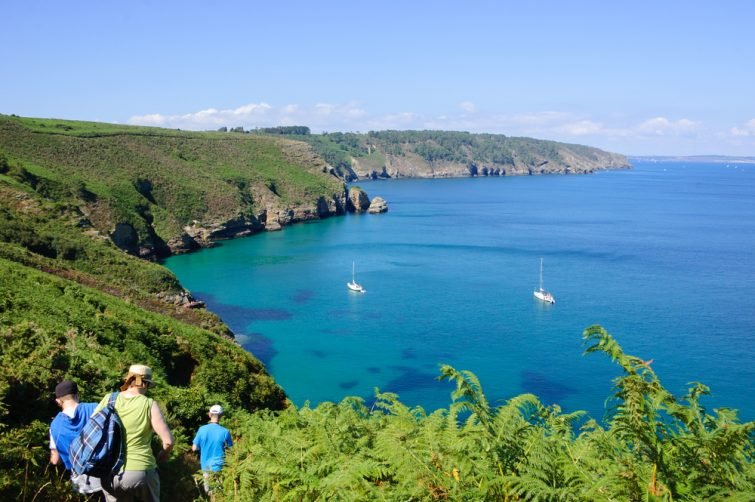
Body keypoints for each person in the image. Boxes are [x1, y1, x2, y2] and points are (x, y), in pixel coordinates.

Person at [96, 364, 173, 502]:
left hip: (110, 472)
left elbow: (93, 428)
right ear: (145, 384)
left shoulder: (109, 399)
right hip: (141, 470)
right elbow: (168, 441)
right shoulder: (149, 404)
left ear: (129, 381)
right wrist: (163, 453)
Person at [49, 379, 103, 495]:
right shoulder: (95, 408)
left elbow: (55, 460)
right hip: (105, 475)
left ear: (58, 401)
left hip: (81, 483)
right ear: (77, 395)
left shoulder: (55, 425)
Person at [192, 404, 233, 494]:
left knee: (209, 493)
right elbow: (231, 451)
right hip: (220, 466)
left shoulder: (201, 429)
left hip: (205, 466)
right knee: (219, 493)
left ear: (209, 415)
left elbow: (194, 448)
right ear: (221, 416)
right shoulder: (225, 432)